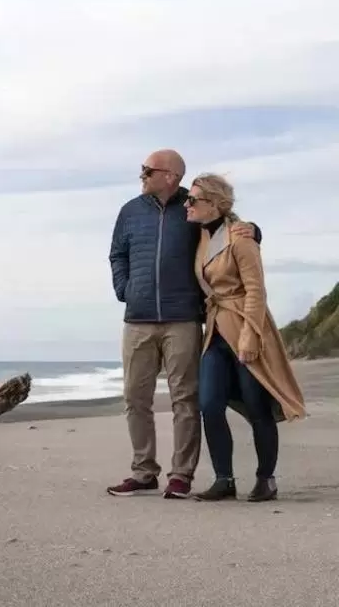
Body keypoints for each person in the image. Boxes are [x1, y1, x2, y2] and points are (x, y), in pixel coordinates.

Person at [106, 149, 259, 499]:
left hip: (184, 319)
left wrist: (254, 230)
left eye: (147, 171)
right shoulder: (129, 211)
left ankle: (181, 475)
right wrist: (124, 288)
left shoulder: (192, 206)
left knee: (184, 400)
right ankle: (143, 472)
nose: (142, 176)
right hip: (138, 318)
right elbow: (117, 253)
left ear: (170, 176)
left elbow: (227, 229)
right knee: (135, 398)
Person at [184, 173, 306, 502]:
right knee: (209, 404)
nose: (188, 204)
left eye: (193, 199)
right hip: (216, 333)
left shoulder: (240, 236)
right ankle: (224, 479)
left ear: (216, 204)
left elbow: (256, 290)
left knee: (256, 407)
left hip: (244, 327)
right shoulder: (202, 237)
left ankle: (266, 479)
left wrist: (251, 336)